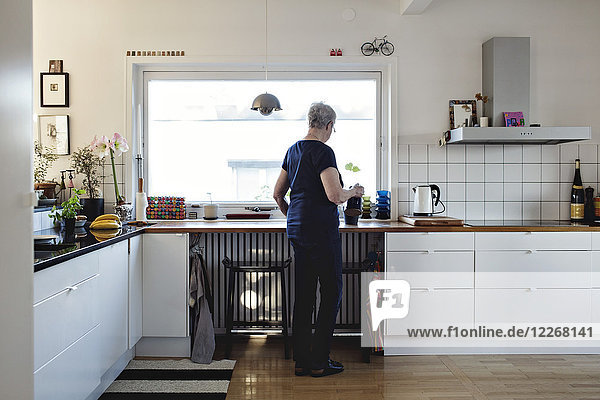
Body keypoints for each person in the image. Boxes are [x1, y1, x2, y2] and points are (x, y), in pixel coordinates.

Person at [273, 102, 364, 377]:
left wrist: (293, 217)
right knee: (332, 293)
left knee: (304, 295)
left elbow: (278, 194)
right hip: (321, 233)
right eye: (332, 128)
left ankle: (302, 360)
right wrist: (355, 191)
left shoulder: (293, 150)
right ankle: (319, 362)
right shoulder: (324, 152)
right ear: (328, 126)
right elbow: (334, 195)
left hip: (298, 232)